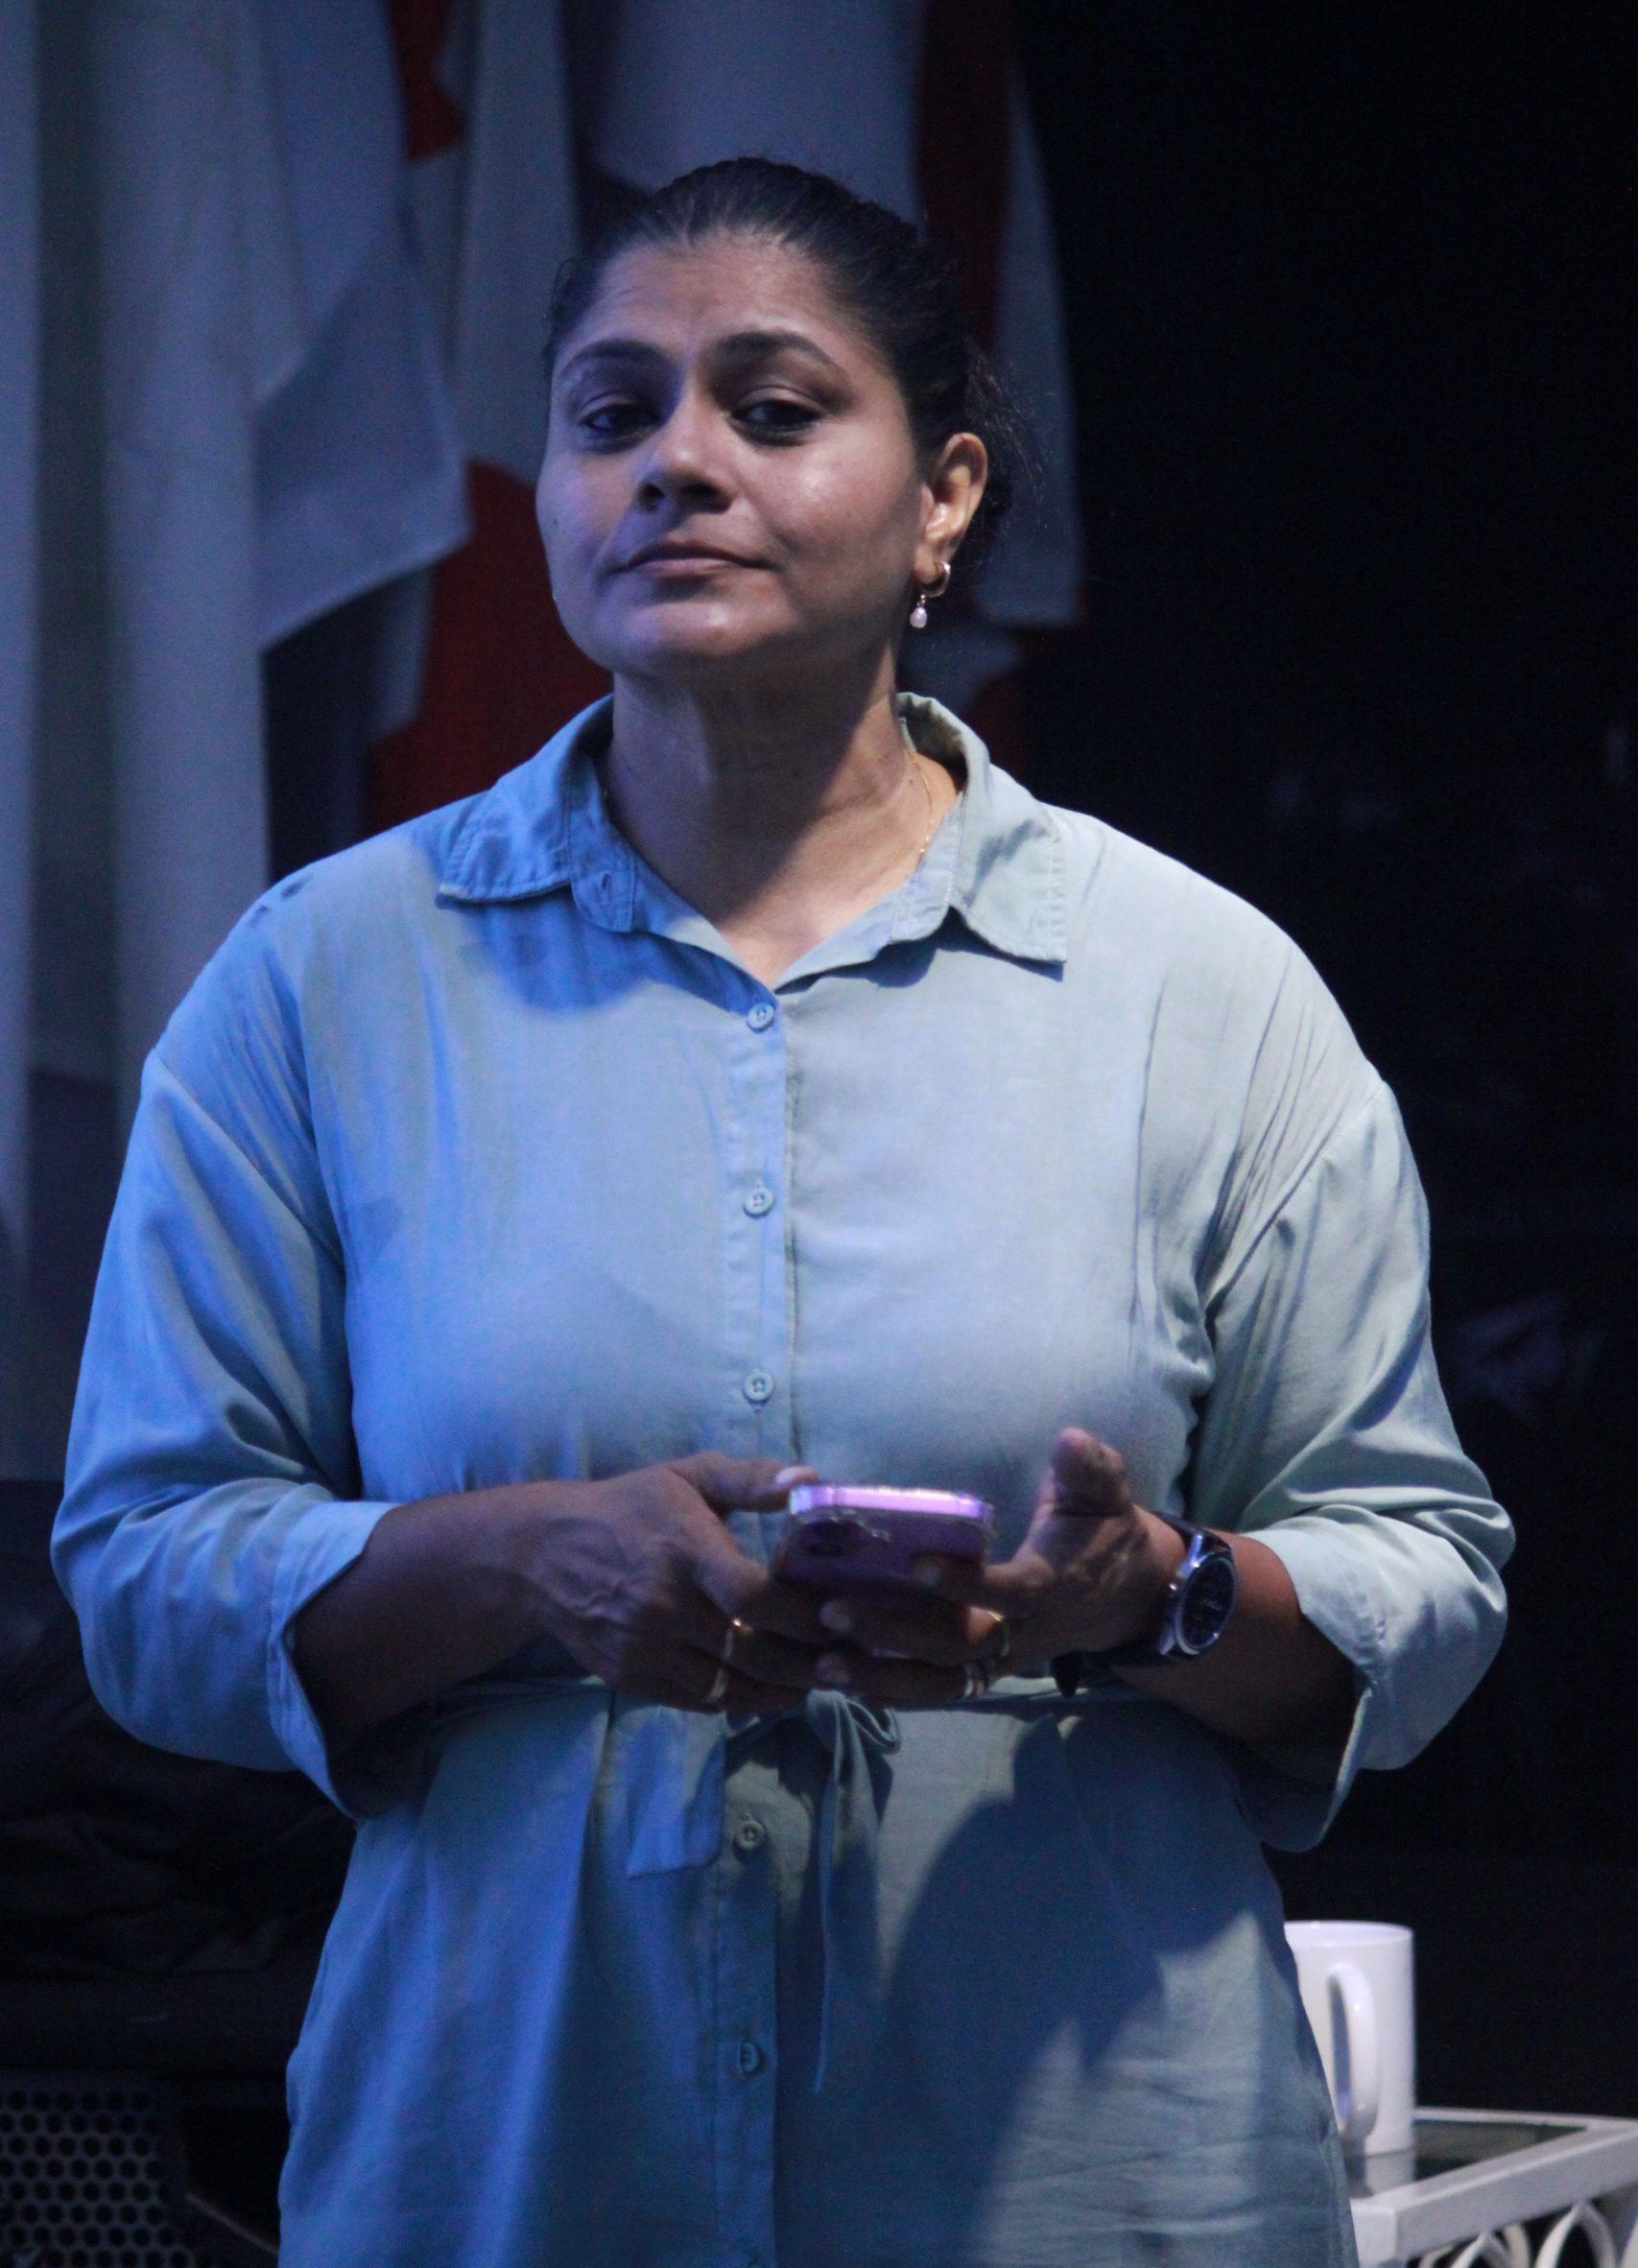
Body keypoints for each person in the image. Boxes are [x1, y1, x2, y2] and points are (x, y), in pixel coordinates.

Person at [55, 158, 1510, 2268]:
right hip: (519, 2159)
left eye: (770, 406)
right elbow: (142, 1573)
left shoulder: (1193, 991)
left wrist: (1148, 1597)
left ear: (944, 497)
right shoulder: (324, 980)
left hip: (1075, 2174)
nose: (675, 464)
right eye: (611, 413)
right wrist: (518, 1557)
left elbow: (1423, 1569)